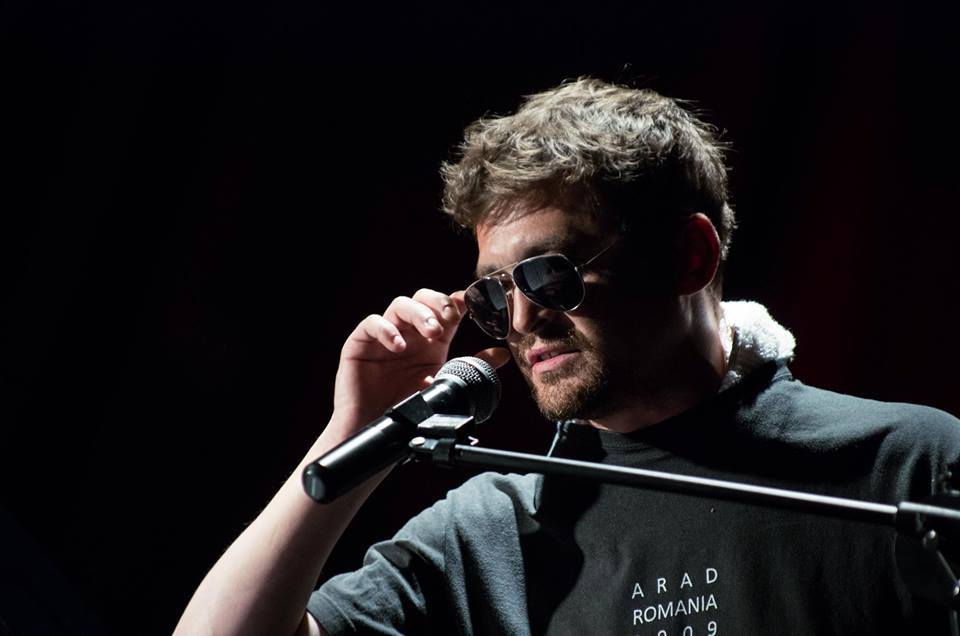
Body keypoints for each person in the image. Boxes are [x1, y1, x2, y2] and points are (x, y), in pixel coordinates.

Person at [175, 78, 960, 635]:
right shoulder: (495, 534)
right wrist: (354, 435)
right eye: (493, 294)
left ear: (689, 257)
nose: (522, 320)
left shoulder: (907, 467)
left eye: (550, 275)